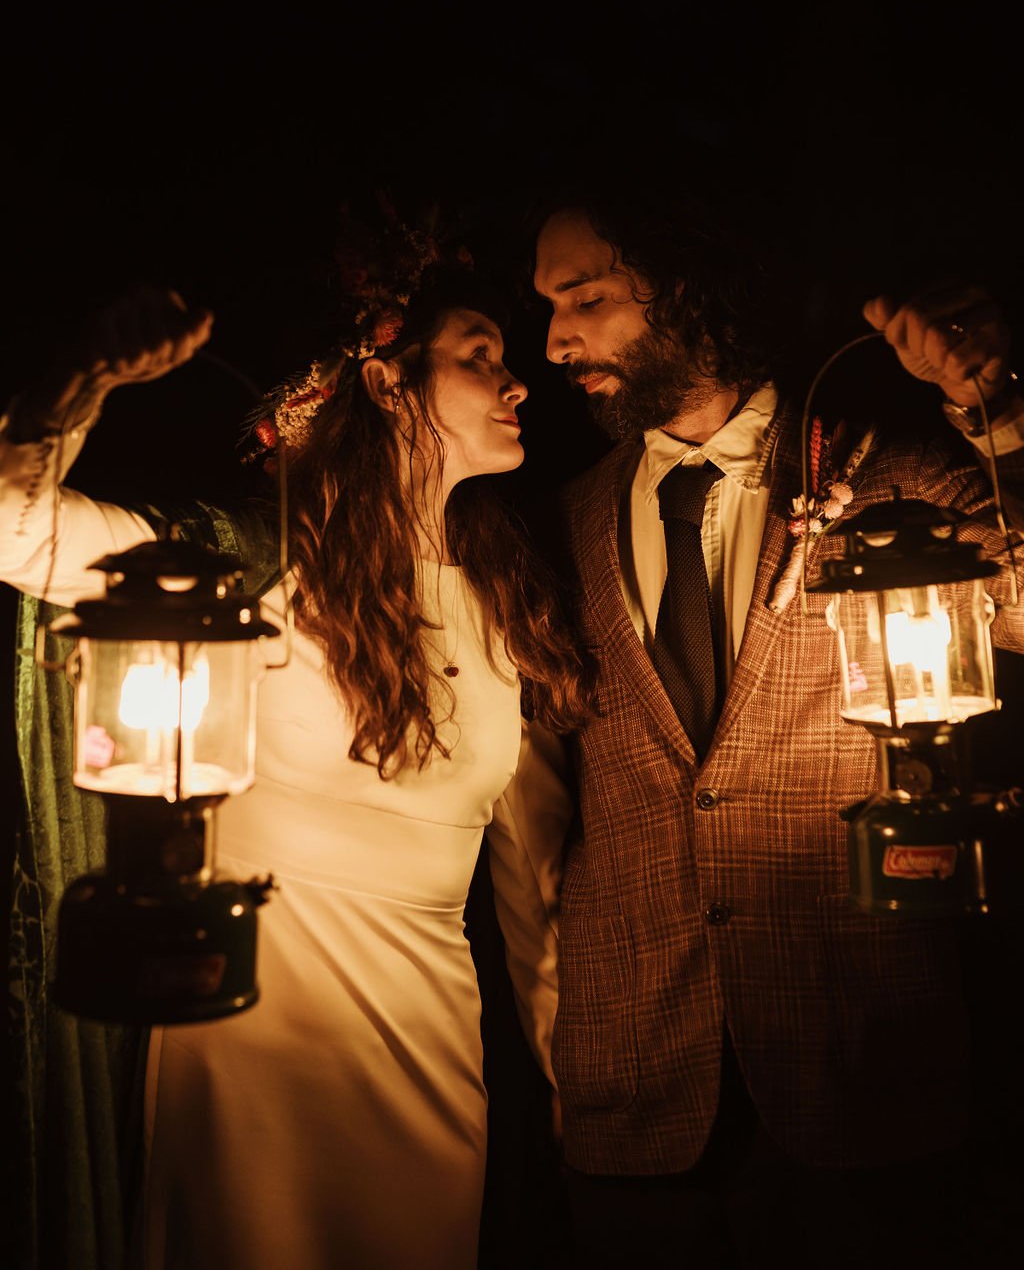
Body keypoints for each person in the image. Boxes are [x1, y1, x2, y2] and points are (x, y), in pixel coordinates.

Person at [1, 207, 592, 1270]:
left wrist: (556, 1084)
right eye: (479, 356)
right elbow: (16, 526)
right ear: (381, 379)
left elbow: (532, 888)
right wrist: (78, 382)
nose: (517, 383)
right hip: (251, 1032)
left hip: (431, 1047)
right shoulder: (243, 566)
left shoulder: (508, 601)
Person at [526, 172, 1024, 1268]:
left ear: (684, 286)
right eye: (547, 308)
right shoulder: (559, 523)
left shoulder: (890, 473)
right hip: (634, 1085)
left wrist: (1002, 414)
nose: (554, 342)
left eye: (585, 297)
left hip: (862, 1068)